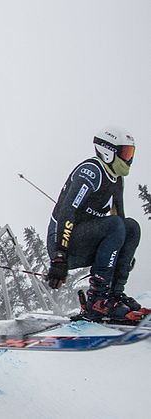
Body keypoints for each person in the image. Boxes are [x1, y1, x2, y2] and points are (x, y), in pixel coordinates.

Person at [46, 127, 146, 322]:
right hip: (65, 242)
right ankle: (97, 300)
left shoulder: (117, 180)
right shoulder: (91, 172)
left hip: (91, 240)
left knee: (131, 227)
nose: (129, 159)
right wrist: (59, 256)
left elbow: (122, 221)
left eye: (130, 153)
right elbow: (68, 211)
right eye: (125, 153)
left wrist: (123, 254)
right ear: (108, 151)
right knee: (115, 225)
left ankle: (114, 294)